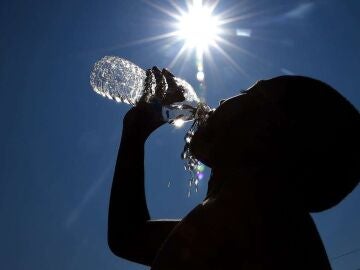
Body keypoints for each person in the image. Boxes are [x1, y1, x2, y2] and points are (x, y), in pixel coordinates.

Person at [107, 70, 360, 269]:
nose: (221, 100)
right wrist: (135, 132)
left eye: (249, 94)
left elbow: (131, 239)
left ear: (269, 133)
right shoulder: (269, 224)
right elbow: (128, 236)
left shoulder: (254, 220)